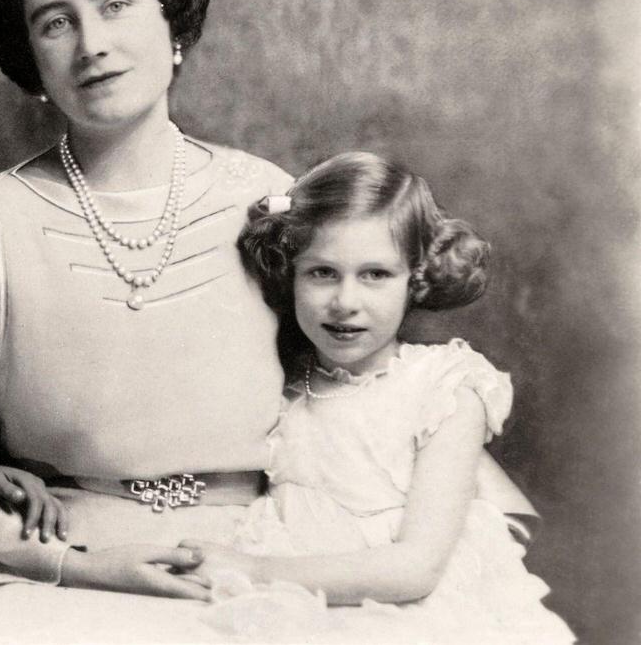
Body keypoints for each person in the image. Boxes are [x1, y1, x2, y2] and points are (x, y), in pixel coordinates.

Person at [0, 0, 540, 643]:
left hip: (268, 548)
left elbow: (351, 381)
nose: (92, 43)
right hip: (76, 561)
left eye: (117, 6)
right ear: (32, 63)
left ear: (174, 29)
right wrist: (53, 539)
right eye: (56, 22)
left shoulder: (261, 197)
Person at [175, 151, 574, 642]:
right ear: (289, 274)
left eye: (376, 275)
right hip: (295, 602)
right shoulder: (275, 383)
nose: (345, 302)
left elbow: (415, 569)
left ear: (417, 277)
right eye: (322, 272)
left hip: (419, 615)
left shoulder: (445, 389)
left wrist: (253, 570)